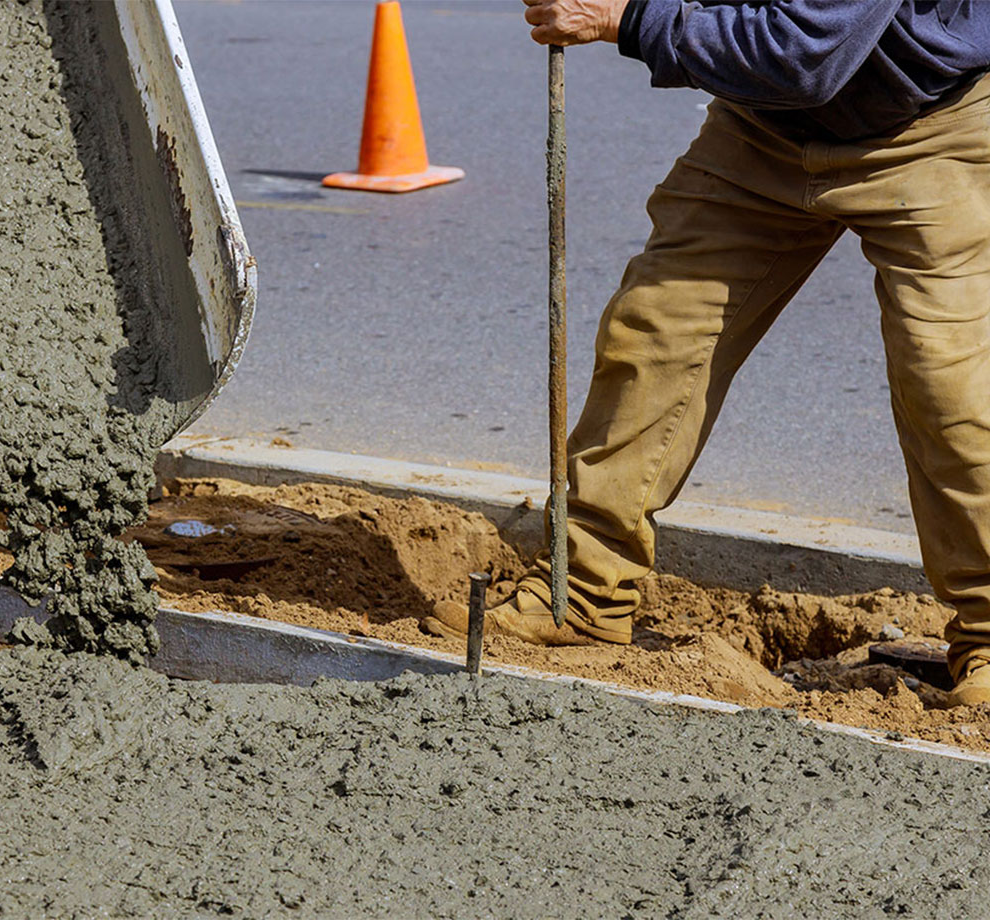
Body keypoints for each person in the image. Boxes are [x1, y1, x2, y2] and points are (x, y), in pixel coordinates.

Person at [420, 0, 990, 706]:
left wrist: (621, 18)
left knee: (953, 387)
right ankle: (586, 592)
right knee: (654, 330)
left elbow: (809, 51)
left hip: (932, 126)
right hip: (764, 128)